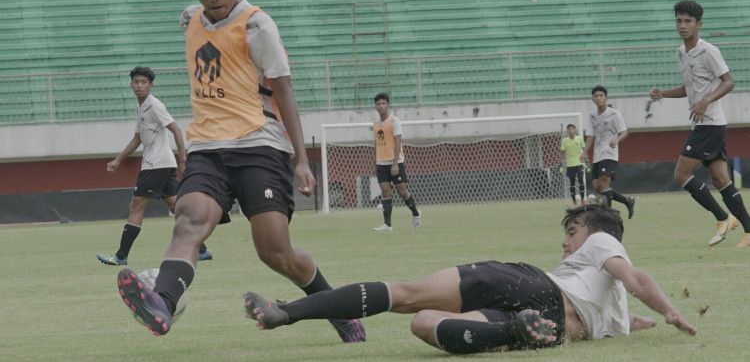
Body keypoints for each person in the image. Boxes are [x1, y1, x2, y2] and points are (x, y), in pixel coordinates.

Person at [115, 0, 365, 342]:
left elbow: (284, 90)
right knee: (188, 222)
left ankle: (336, 307)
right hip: (207, 149)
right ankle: (161, 302)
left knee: (275, 253)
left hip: (260, 145)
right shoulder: (189, 19)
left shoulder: (256, 24)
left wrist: (301, 160)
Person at [244, 202, 697, 354]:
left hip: (534, 287)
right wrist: (648, 321)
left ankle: (288, 312)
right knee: (422, 323)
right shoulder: (614, 312)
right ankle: (511, 331)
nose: (565, 242)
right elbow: (626, 314)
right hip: (554, 329)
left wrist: (670, 310)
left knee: (406, 294)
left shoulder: (603, 244)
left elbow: (634, 276)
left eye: (571, 232)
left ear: (596, 231)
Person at [649, 0, 750, 247]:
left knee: (681, 174)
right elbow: (689, 88)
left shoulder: (709, 51)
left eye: (688, 21)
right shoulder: (681, 52)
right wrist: (663, 93)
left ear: (699, 24)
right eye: (679, 21)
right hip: (703, 124)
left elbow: (728, 82)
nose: (682, 26)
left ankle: (723, 218)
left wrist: (706, 100)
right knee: (719, 179)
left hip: (711, 124)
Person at [96, 66, 212, 266]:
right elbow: (137, 138)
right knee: (177, 207)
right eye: (136, 82)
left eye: (144, 82)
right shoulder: (141, 107)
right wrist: (118, 160)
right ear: (131, 84)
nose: (139, 86)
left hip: (154, 165)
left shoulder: (154, 105)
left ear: (151, 85)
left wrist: (183, 159)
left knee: (135, 207)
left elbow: (176, 129)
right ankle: (201, 250)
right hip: (163, 164)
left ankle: (121, 256)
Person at [581, 85, 636, 219]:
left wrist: (617, 140)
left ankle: (608, 217)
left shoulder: (614, 113)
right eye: (596, 96)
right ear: (593, 99)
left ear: (606, 98)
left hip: (609, 153)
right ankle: (627, 201)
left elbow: (624, 131)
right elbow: (590, 136)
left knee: (604, 182)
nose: (598, 98)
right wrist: (584, 152)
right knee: (598, 188)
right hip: (597, 155)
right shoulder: (592, 116)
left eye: (601, 96)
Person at [372, 92, 422, 231]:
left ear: (388, 105)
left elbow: (398, 141)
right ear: (375, 106)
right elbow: (376, 143)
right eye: (378, 104)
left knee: (402, 192)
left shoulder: (394, 121)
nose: (381, 106)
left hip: (395, 162)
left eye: (383, 103)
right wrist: (375, 162)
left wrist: (395, 163)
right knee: (385, 192)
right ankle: (387, 225)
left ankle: (416, 214)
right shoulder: (375, 124)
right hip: (381, 163)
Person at [560, 123, 587, 206]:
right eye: (569, 129)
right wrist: (562, 165)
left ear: (575, 130)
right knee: (572, 183)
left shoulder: (579, 139)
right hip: (570, 165)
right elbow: (562, 153)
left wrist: (587, 161)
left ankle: (583, 200)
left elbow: (584, 150)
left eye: (572, 129)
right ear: (567, 131)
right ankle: (574, 201)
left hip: (579, 164)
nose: (571, 130)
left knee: (581, 181)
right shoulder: (564, 141)